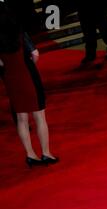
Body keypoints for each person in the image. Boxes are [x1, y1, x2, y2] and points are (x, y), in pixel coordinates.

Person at [0, 0, 58, 167]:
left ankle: (30, 155)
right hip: (28, 73)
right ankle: (46, 153)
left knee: (21, 118)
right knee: (39, 115)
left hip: (10, 78)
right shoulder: (18, 32)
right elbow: (35, 53)